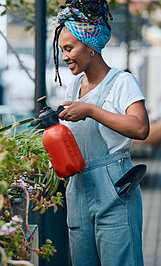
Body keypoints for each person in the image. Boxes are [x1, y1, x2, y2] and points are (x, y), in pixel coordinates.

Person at [52, 1, 150, 265]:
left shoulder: (122, 82)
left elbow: (140, 128)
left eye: (69, 48)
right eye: (62, 50)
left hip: (114, 190)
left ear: (91, 45)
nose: (64, 56)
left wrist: (91, 110)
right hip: (78, 190)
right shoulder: (73, 87)